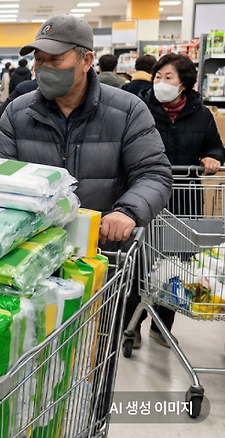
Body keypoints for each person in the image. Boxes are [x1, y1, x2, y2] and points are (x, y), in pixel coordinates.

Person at [0, 12, 172, 421]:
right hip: (30, 262)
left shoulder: (127, 110)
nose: (42, 68)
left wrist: (127, 211)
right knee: (26, 358)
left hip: (100, 262)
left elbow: (154, 174)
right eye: (38, 60)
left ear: (86, 60)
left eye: (54, 60)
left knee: (93, 357)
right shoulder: (19, 112)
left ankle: (90, 421)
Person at [124, 53, 225, 348]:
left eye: (168, 77)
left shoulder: (201, 114)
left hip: (184, 199)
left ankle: (161, 326)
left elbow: (216, 147)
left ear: (185, 84)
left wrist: (213, 158)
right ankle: (132, 325)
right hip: (147, 196)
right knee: (141, 265)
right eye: (158, 76)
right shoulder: (141, 108)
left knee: (177, 266)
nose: (161, 82)